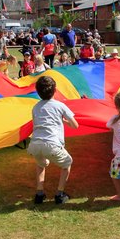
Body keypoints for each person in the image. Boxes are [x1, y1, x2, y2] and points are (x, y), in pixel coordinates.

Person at [28, 76, 79, 204]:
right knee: (67, 164)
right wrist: (64, 121)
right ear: (55, 90)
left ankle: (39, 194)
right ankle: (59, 194)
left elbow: (36, 124)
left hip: (34, 144)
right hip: (52, 144)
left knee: (41, 164)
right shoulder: (60, 105)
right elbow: (75, 125)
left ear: (38, 92)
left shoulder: (35, 107)